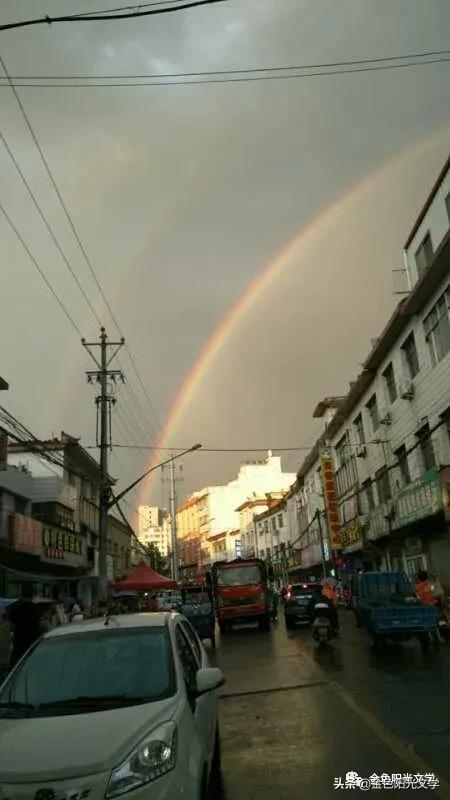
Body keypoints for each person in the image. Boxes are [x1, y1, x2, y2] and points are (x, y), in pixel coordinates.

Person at [7, 584, 42, 667]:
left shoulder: (15, 606)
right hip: (33, 637)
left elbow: (11, 620)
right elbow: (39, 620)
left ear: (21, 593)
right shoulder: (36, 607)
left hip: (19, 637)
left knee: (18, 663)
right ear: (32, 594)